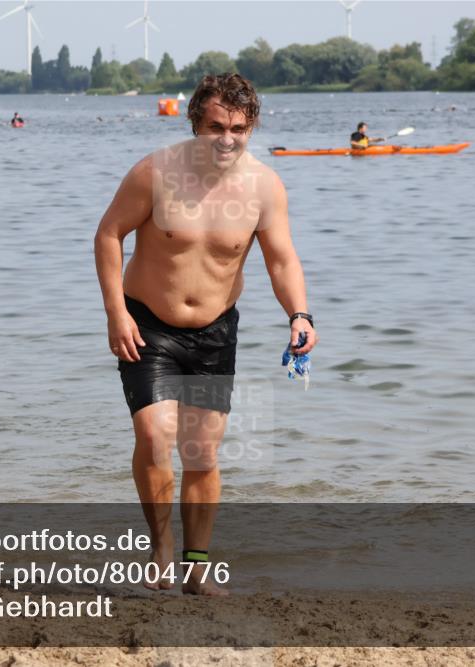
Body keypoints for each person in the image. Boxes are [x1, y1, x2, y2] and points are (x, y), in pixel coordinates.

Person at [94, 73, 317, 596]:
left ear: (252, 126)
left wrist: (300, 316)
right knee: (153, 438)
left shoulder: (264, 187)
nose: (227, 139)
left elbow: (281, 260)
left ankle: (197, 568)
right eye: (215, 126)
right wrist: (115, 314)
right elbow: (108, 235)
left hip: (215, 333)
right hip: (147, 325)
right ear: (194, 122)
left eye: (239, 128)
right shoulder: (155, 173)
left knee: (202, 454)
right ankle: (160, 546)